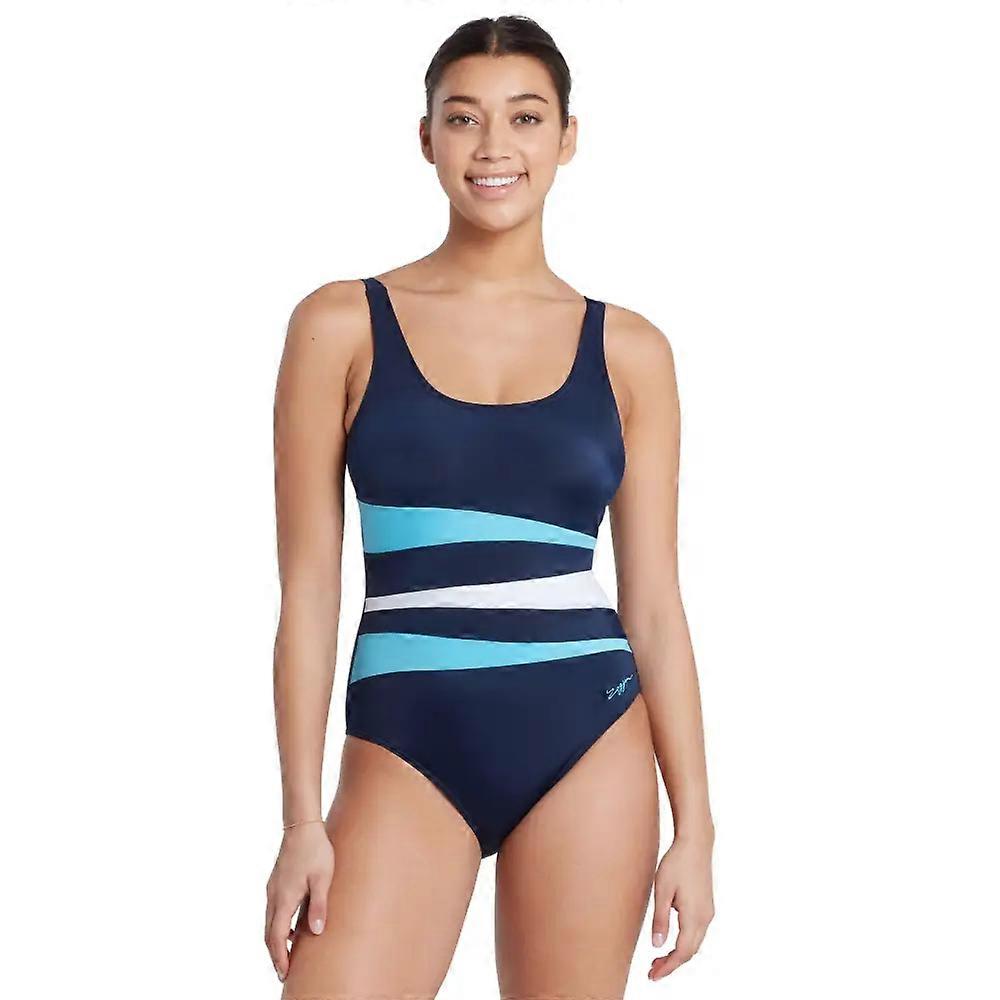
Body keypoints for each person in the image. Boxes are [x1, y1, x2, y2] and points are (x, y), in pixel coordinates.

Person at [266, 14, 714, 998]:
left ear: (567, 137)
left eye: (525, 117)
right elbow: (308, 590)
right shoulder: (341, 324)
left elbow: (653, 604)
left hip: (590, 734)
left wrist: (697, 827)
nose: (493, 146)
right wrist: (301, 816)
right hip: (405, 743)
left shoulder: (630, 350)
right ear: (426, 137)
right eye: (464, 118)